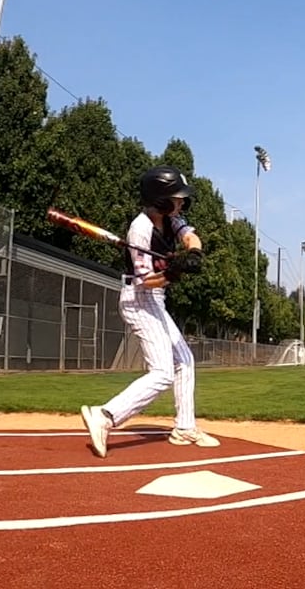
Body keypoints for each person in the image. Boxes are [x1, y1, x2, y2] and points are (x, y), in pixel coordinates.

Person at [79, 165, 220, 457]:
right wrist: (174, 273)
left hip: (155, 299)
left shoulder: (172, 220)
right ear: (159, 199)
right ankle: (105, 415)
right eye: (176, 197)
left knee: (185, 359)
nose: (181, 202)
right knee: (162, 372)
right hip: (138, 298)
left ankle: (184, 428)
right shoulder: (140, 229)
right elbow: (145, 281)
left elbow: (191, 238)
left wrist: (192, 254)